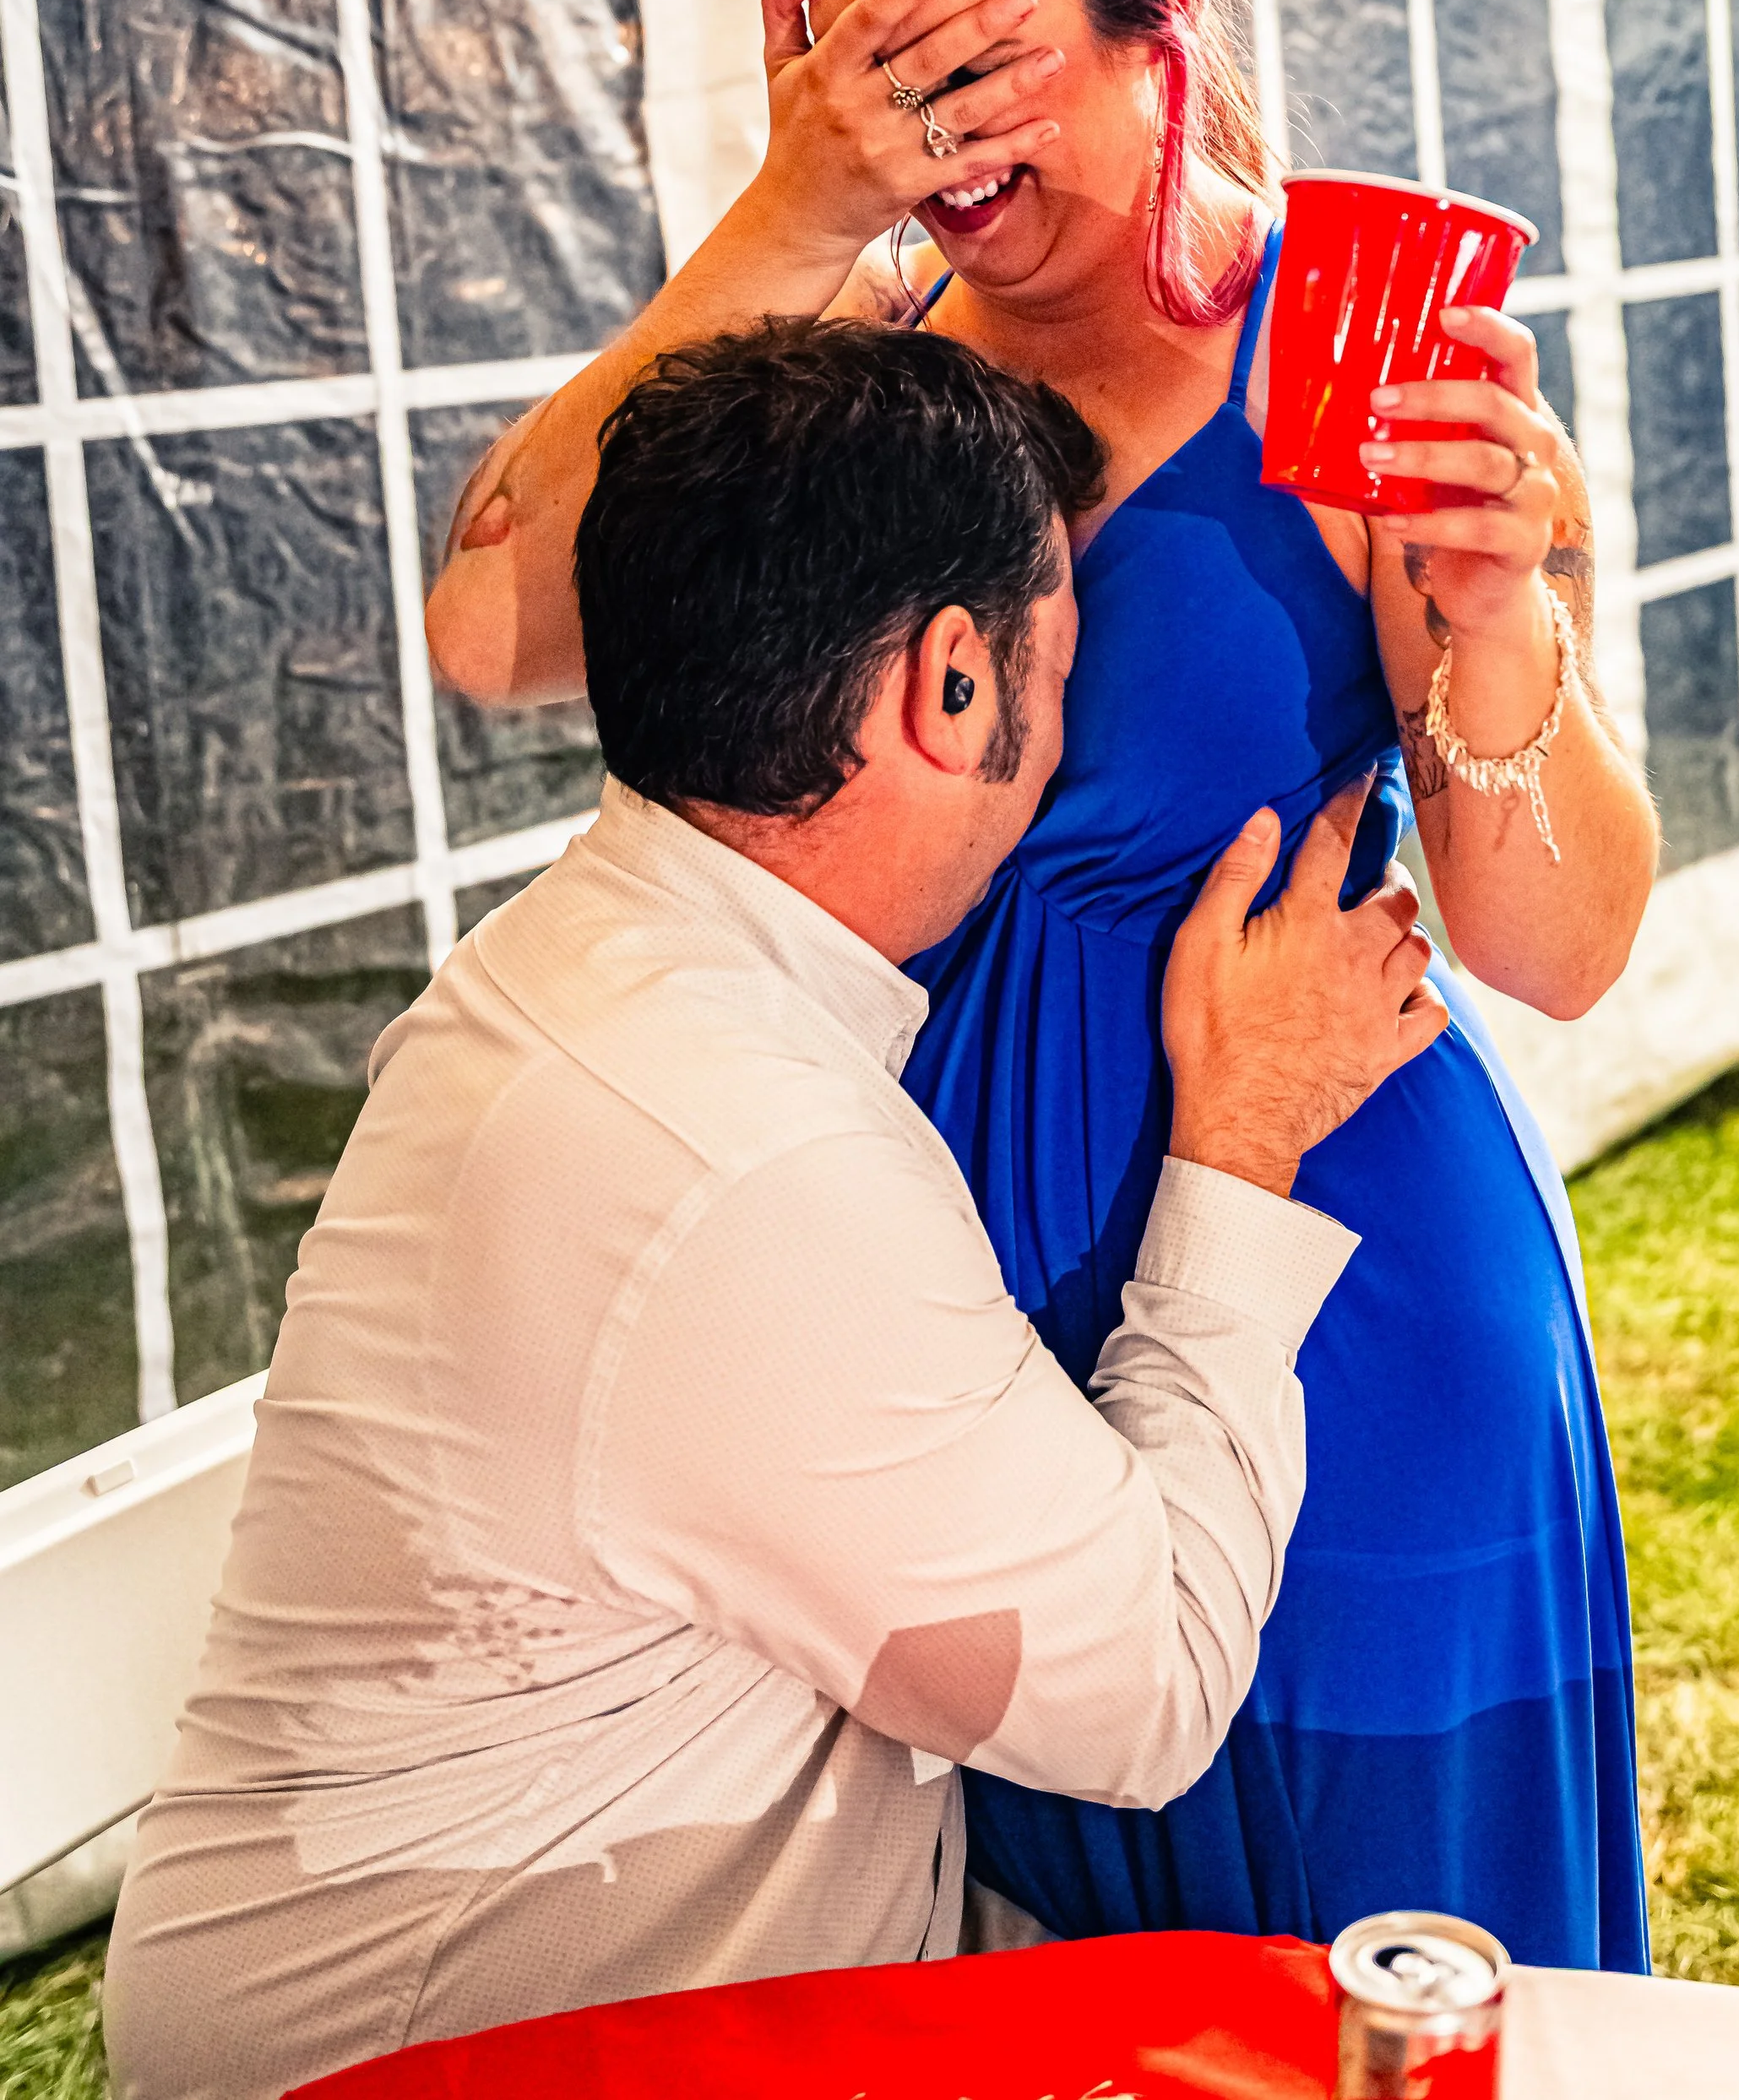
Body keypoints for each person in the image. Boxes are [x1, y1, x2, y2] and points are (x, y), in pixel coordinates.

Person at [426, 0, 1662, 1968]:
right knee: (1055, 1989)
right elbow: (499, 611)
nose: (934, 126)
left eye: (976, 54)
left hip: (1336, 1318)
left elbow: (1558, 945)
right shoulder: (857, 369)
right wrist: (799, 201)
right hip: (935, 1348)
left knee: (1390, 1975)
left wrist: (1501, 625)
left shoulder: (1355, 336)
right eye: (862, 58)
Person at [102, 322, 1443, 2100]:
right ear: (950, 686)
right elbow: (1149, 1685)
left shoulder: (586, 966)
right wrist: (1242, 1141)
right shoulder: (747, 1157)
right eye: (1068, 651)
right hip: (460, 2059)